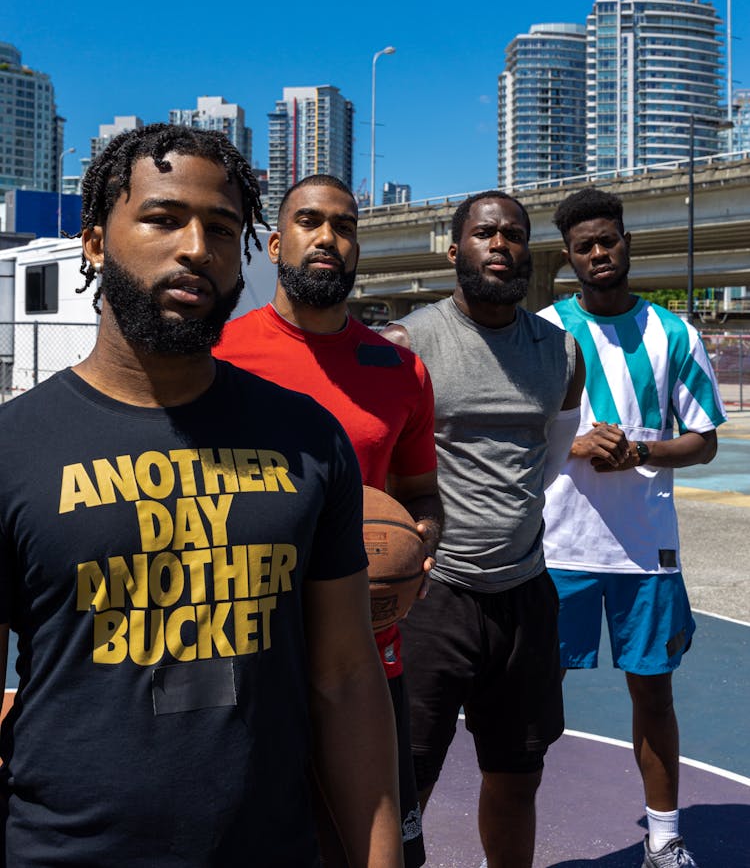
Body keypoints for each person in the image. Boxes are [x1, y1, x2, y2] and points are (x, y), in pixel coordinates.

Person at [0, 125, 402, 867]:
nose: (196, 248)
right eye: (162, 218)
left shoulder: (310, 441)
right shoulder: (14, 447)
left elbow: (346, 677)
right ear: (94, 243)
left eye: (221, 229)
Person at [214, 173, 442, 868]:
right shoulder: (217, 357)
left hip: (368, 648)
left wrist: (420, 550)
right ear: (278, 242)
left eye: (343, 226)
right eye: (310, 221)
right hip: (249, 650)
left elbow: (421, 495)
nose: (328, 237)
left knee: (370, 848)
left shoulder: (400, 369)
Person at [383, 190, 585, 868]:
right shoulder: (408, 345)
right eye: (484, 233)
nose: (500, 245)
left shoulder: (561, 353)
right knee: (405, 780)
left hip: (525, 594)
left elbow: (552, 459)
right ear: (454, 249)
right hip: (434, 597)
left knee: (517, 776)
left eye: (515, 235)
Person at [539, 186, 726, 868]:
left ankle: (665, 838)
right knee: (535, 702)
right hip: (560, 547)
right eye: (584, 246)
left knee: (654, 692)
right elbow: (519, 434)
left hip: (648, 551)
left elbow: (703, 440)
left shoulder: (675, 332)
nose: (599, 254)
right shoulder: (544, 330)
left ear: (626, 242)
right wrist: (577, 443)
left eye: (608, 241)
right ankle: (512, 845)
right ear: (569, 255)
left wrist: (641, 450)